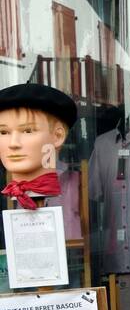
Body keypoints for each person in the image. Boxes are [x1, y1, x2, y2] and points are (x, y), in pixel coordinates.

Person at [0, 83, 82, 239]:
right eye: (3, 132)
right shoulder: (4, 193)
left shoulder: (77, 184)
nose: (13, 143)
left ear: (57, 136)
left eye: (28, 130)